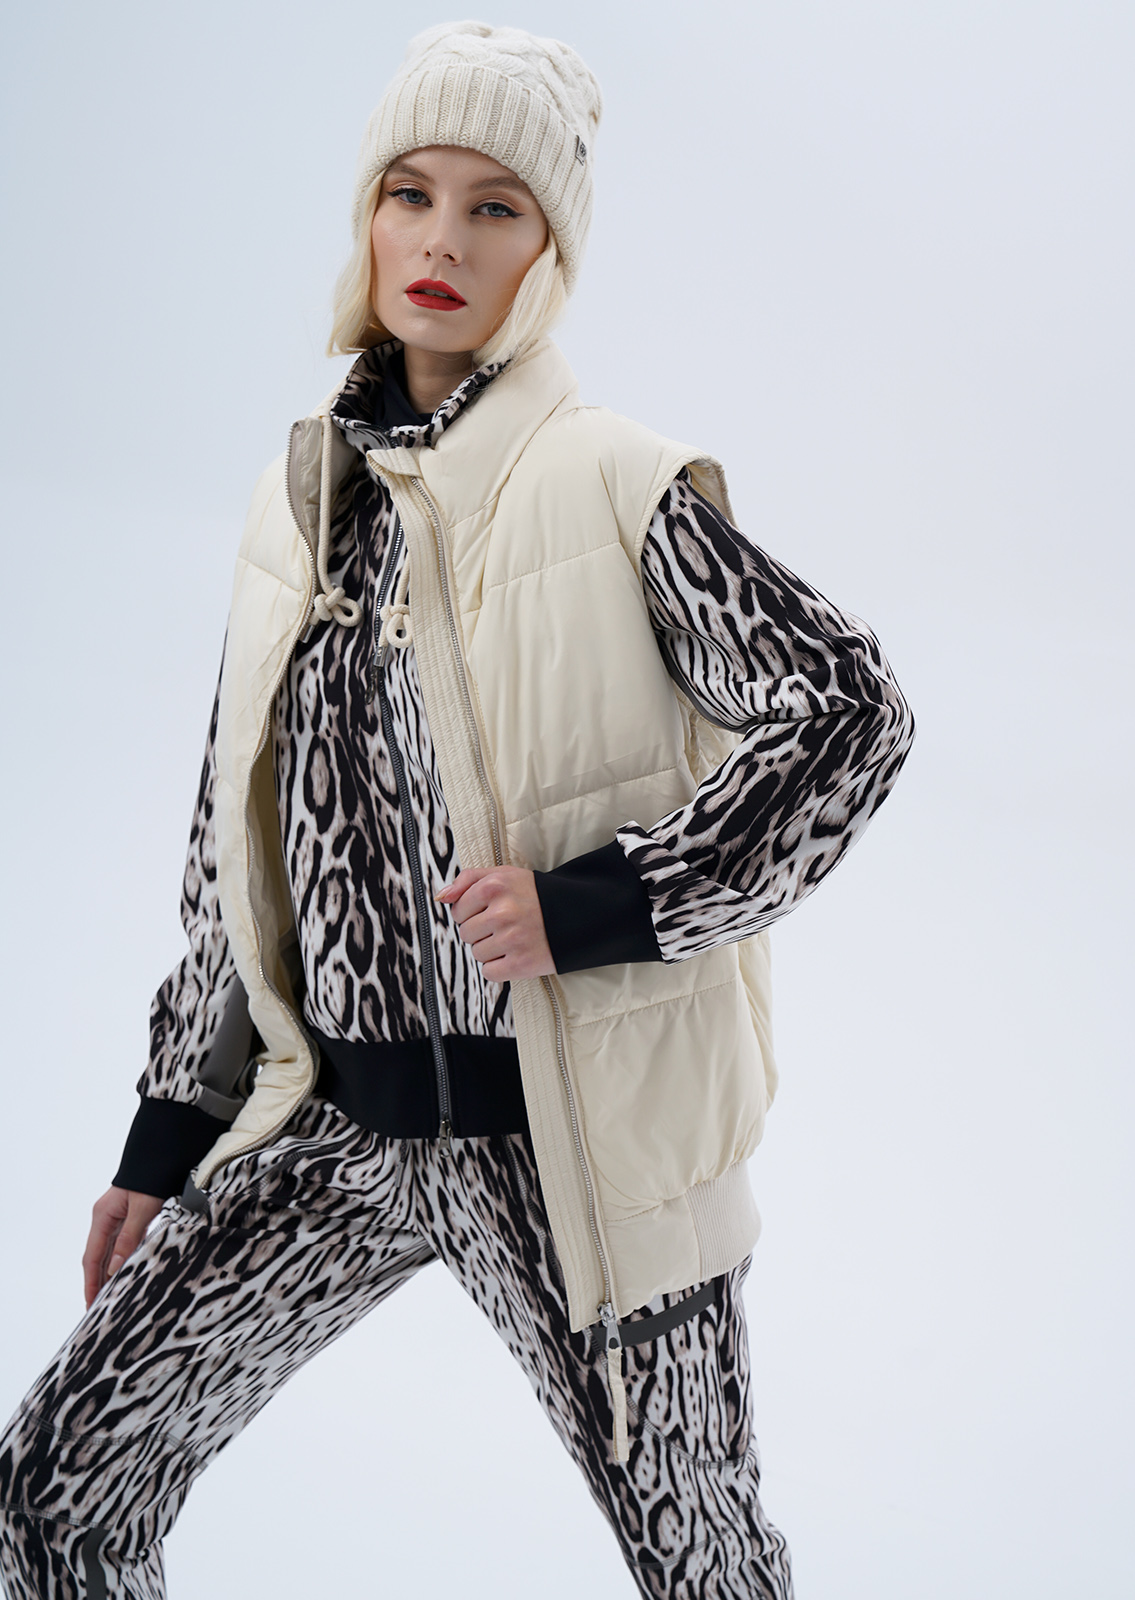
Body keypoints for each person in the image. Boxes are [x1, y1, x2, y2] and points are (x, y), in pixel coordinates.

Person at [0, 21, 914, 1600]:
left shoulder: (613, 487)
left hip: (569, 1151)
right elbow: (235, 869)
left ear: (548, 252)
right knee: (57, 1494)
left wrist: (601, 904)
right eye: (409, 194)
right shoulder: (302, 505)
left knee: (700, 1560)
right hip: (335, 1133)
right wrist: (166, 1137)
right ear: (366, 219)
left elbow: (850, 712)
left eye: (495, 207)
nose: (441, 241)